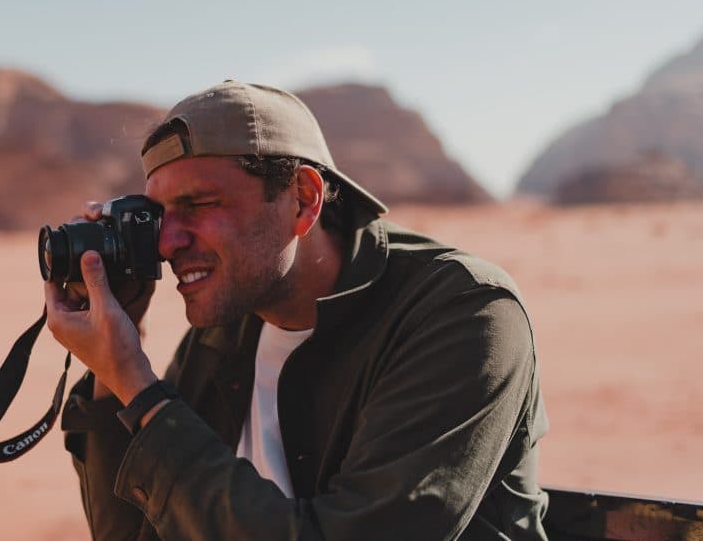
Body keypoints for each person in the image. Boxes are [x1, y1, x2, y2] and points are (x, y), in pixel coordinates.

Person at [44, 80, 549, 540]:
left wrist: (140, 389)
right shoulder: (228, 325)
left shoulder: (462, 313)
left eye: (199, 204)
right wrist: (112, 373)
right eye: (158, 215)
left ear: (303, 199)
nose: (169, 242)